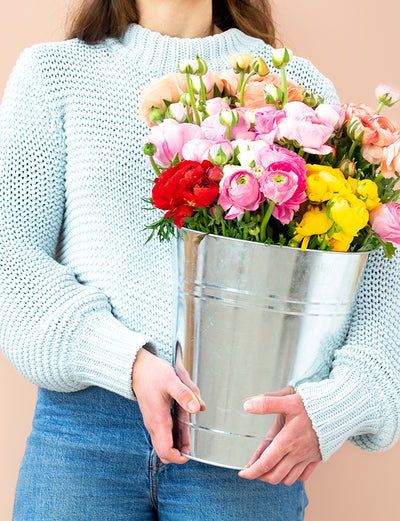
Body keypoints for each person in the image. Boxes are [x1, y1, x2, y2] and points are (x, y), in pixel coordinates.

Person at [0, 0, 399, 519]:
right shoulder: (56, 75)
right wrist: (126, 361)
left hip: (247, 443)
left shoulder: (296, 92)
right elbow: (9, 257)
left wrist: (339, 404)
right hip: (84, 435)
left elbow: (379, 278)